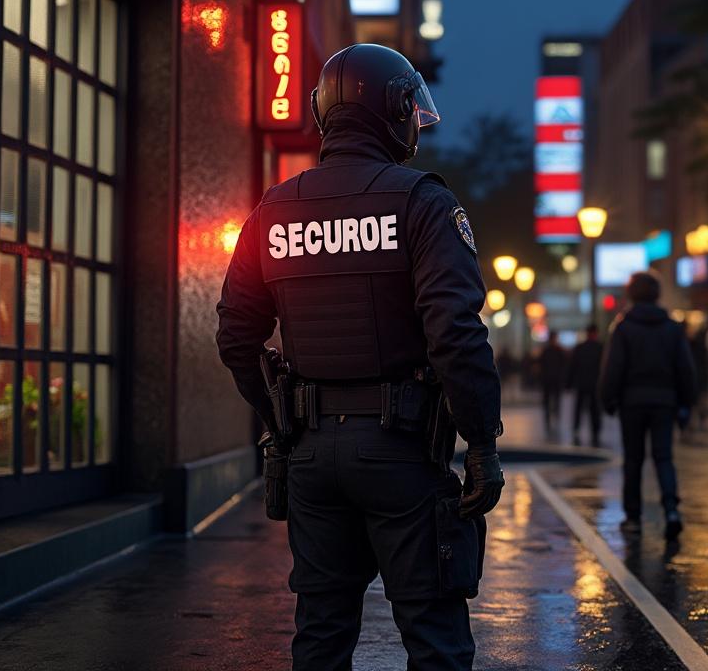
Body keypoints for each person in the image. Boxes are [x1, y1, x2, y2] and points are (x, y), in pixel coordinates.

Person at [216, 44, 504, 670]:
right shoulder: (423, 202)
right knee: (433, 635)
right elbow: (455, 332)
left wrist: (281, 422)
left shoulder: (273, 209)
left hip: (312, 456)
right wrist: (481, 443)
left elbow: (237, 337)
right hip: (401, 451)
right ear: (396, 109)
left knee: (320, 634)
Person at [599, 271, 697, 539]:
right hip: (665, 401)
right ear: (657, 294)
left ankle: (633, 517)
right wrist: (687, 403)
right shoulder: (672, 327)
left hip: (632, 402)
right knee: (663, 457)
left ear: (631, 294)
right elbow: (685, 369)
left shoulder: (623, 326)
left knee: (634, 459)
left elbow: (613, 367)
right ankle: (671, 511)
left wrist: (608, 398)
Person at [566, 324, 604, 446]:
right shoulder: (600, 348)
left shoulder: (580, 348)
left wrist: (569, 382)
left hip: (582, 383)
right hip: (594, 384)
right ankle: (595, 431)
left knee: (579, 408)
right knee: (594, 409)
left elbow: (573, 366)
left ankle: (576, 429)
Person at [539, 331, 567, 438]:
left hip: (548, 380)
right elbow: (564, 365)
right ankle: (555, 416)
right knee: (555, 399)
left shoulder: (546, 351)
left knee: (548, 400)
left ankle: (549, 418)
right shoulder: (559, 351)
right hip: (555, 380)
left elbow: (541, 365)